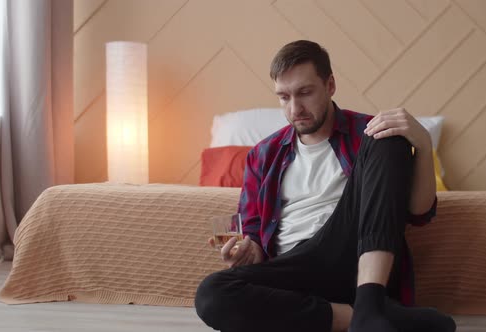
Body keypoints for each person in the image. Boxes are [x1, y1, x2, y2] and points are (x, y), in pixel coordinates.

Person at [195, 40, 456, 332]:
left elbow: (419, 213)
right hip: (293, 267)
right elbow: (255, 239)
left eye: (305, 93)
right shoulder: (262, 154)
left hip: (355, 259)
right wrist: (246, 252)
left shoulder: (370, 135)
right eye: (284, 97)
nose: (295, 109)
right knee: (211, 293)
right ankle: (369, 318)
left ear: (330, 85)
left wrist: (422, 142)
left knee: (387, 133)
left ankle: (369, 302)